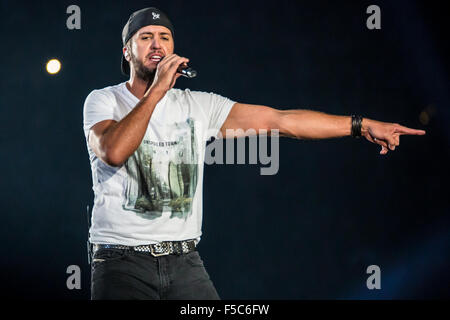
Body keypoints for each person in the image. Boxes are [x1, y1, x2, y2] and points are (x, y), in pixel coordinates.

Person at [83, 7, 426, 300]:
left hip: (184, 259)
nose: (157, 43)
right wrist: (157, 90)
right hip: (121, 261)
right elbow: (113, 151)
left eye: (165, 36)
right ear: (127, 51)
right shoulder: (103, 101)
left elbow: (282, 120)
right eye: (146, 36)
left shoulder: (199, 105)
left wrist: (361, 124)